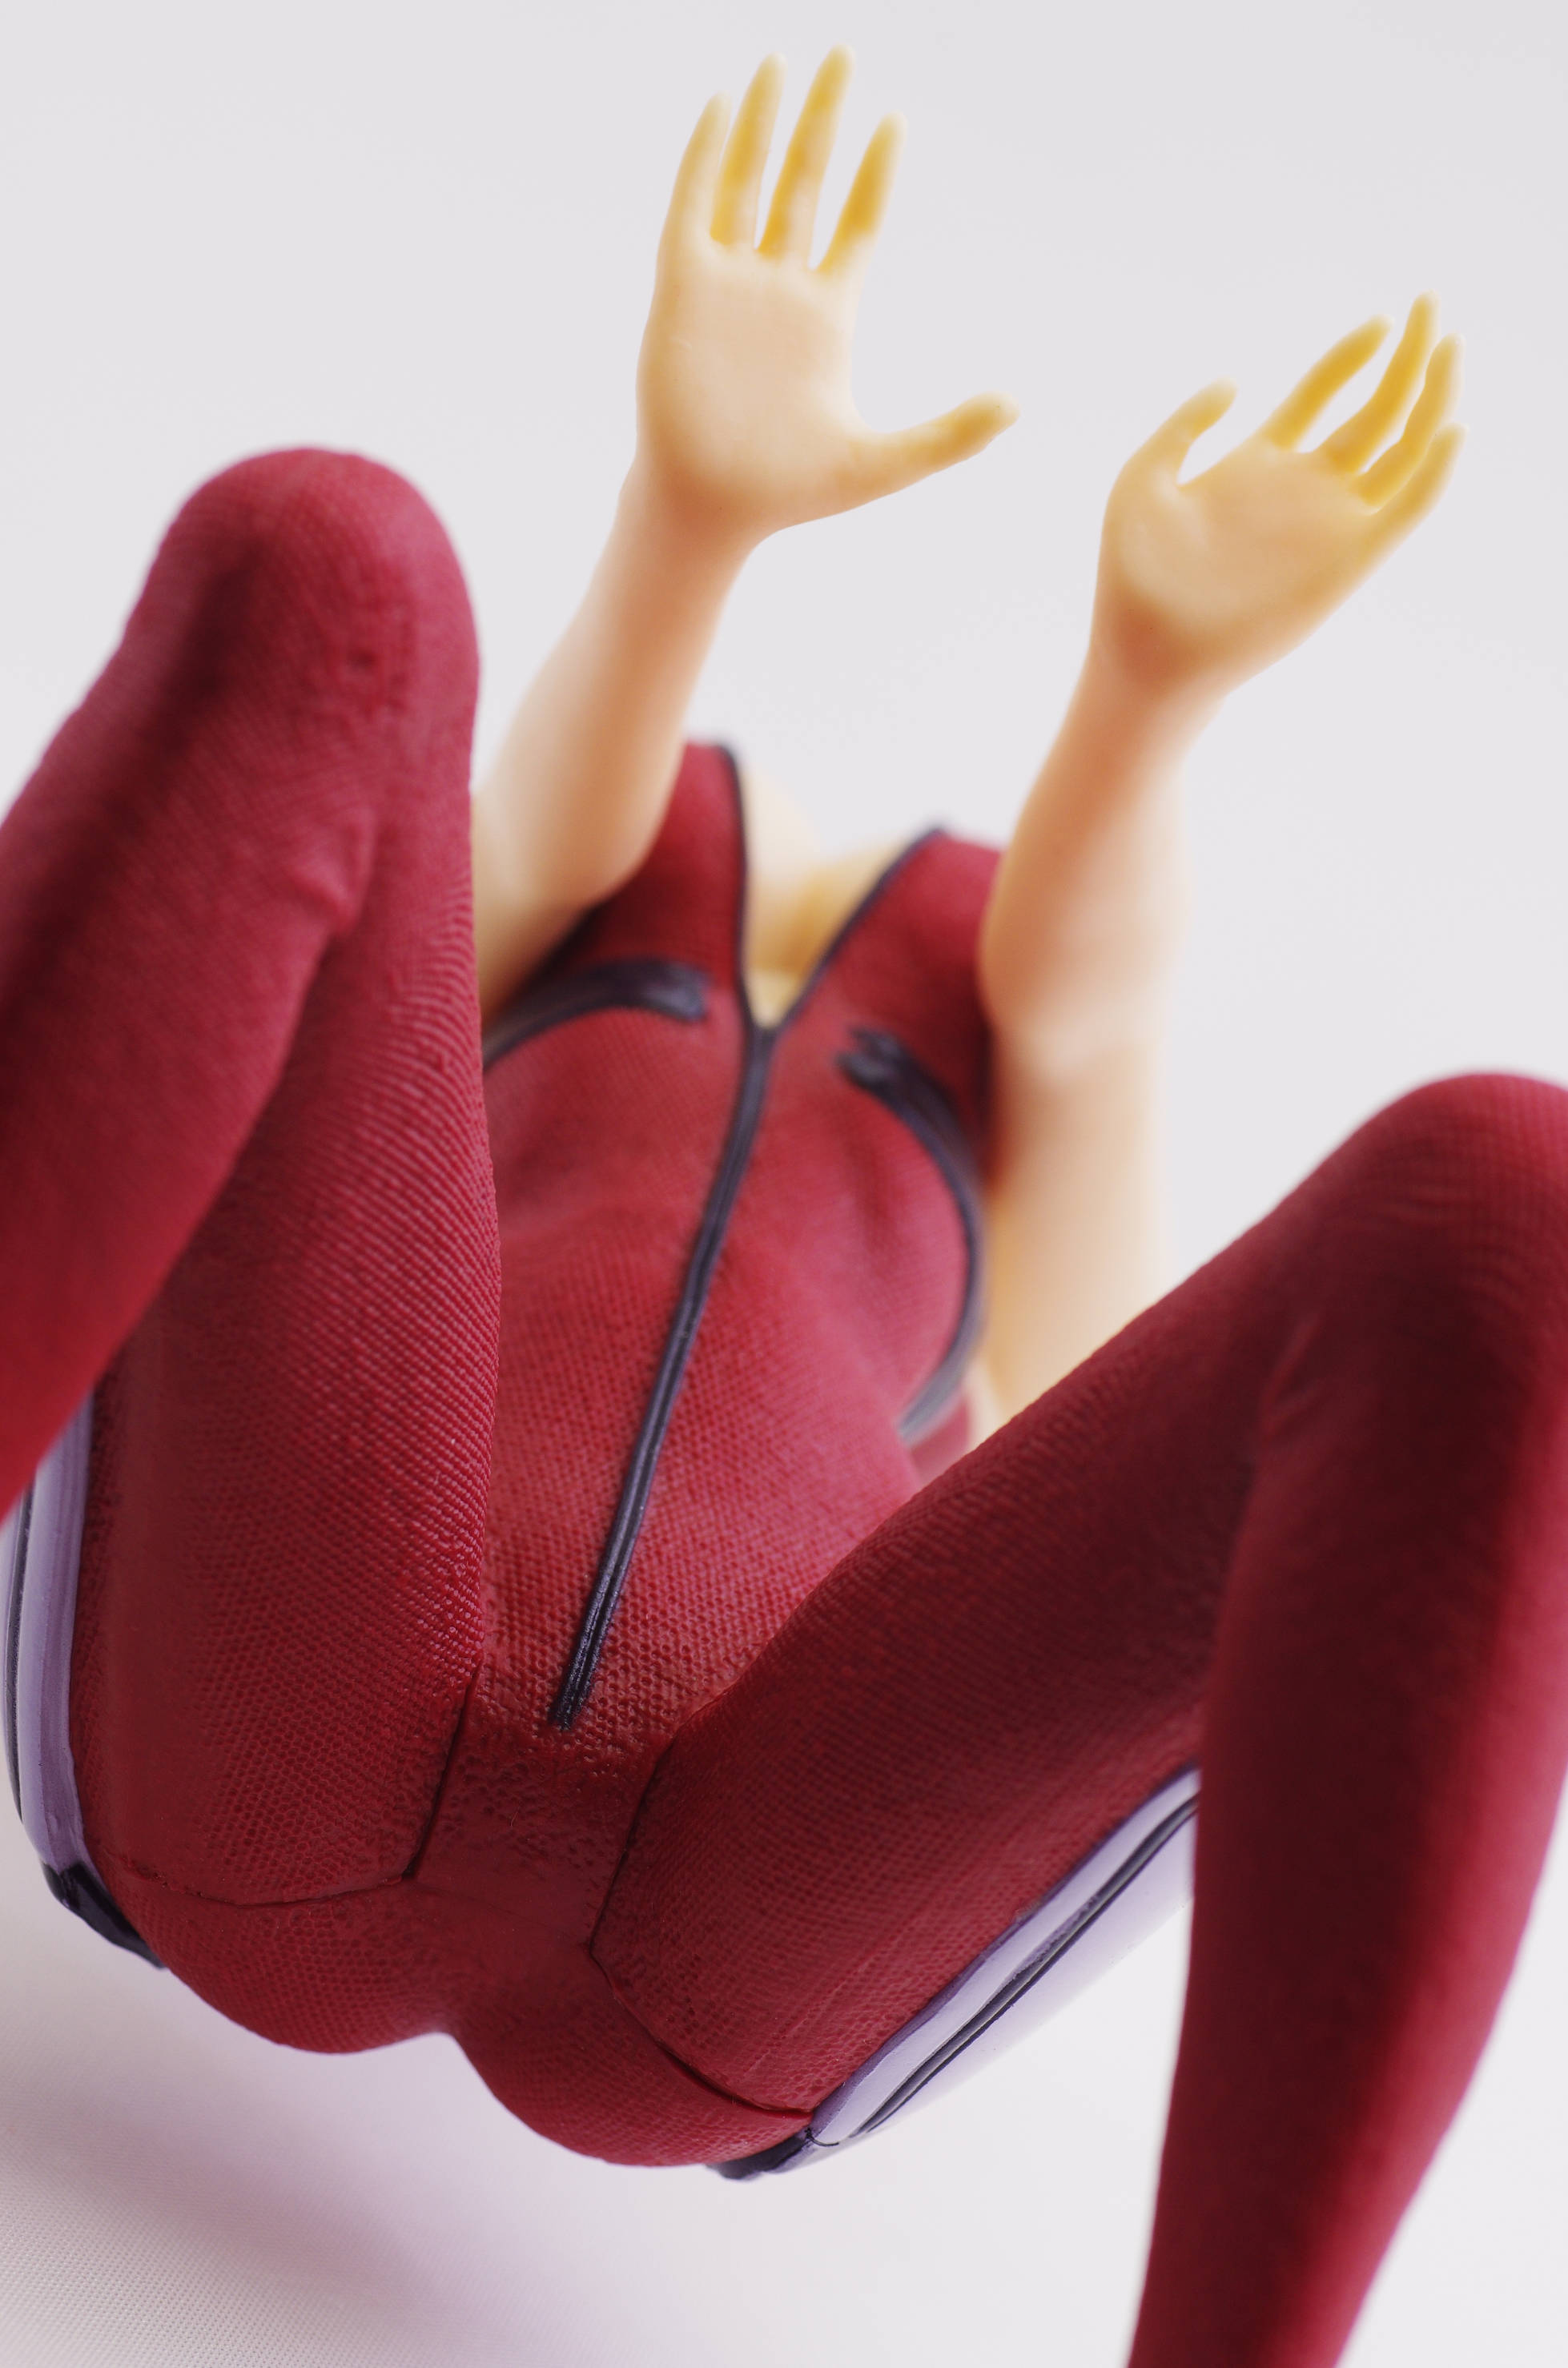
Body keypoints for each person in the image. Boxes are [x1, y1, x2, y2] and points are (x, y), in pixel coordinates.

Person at [4, 46, 1566, 2368]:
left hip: (760, 1891)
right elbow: (474, 841)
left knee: (1513, 1198)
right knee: (334, 566)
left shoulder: (1021, 1020)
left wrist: (1149, 682)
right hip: (298, 1685)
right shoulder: (564, 884)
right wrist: (686, 516)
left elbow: (1087, 1261)